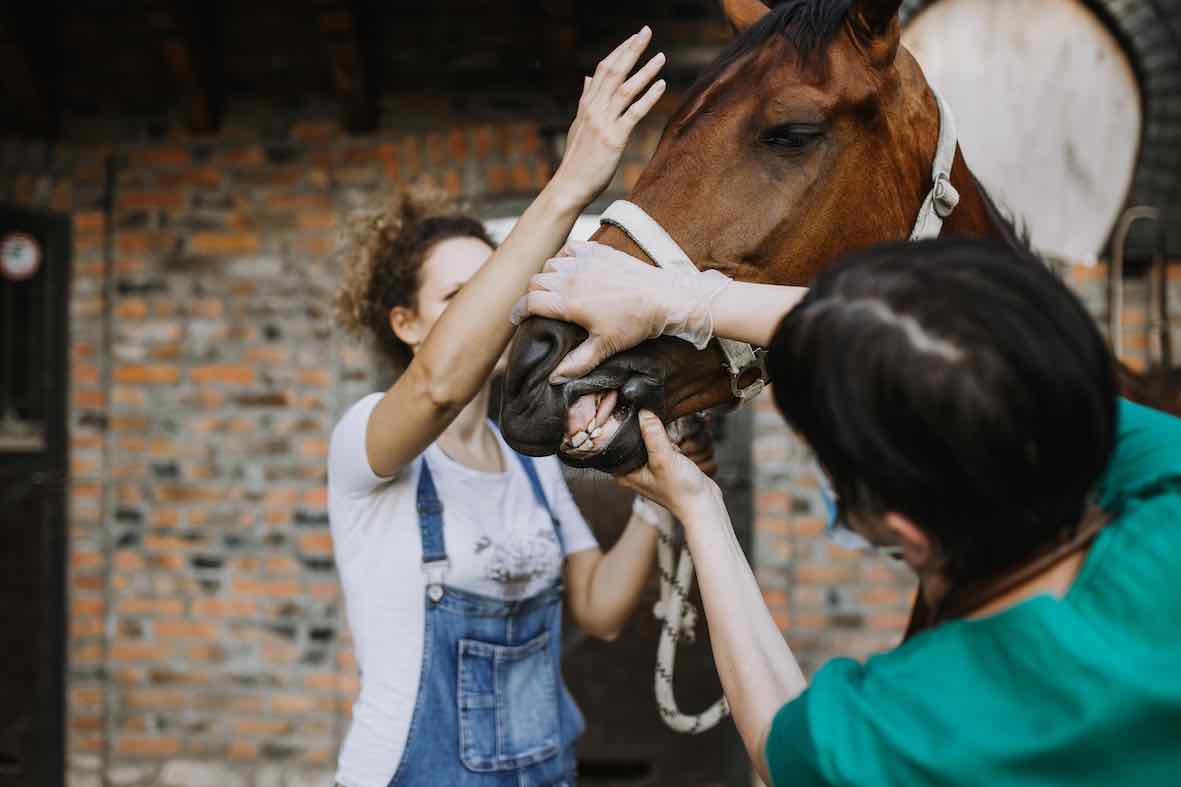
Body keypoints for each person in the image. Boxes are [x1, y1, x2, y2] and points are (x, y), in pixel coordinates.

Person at [516, 238, 1181, 786]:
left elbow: (777, 737)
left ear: (903, 535)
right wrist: (678, 301)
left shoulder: (907, 724)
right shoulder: (1164, 516)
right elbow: (970, 359)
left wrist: (698, 508)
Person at [326, 29, 714, 787]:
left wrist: (659, 502)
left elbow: (599, 610)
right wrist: (571, 182)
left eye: (499, 288)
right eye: (459, 295)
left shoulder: (529, 465)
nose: (493, 310)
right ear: (405, 324)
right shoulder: (366, 442)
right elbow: (440, 384)